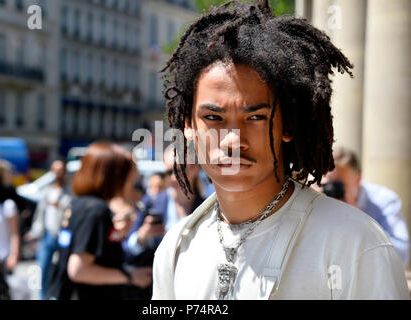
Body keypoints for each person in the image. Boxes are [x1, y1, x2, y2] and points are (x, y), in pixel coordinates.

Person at [152, 0, 409, 299]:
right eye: (213, 118)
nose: (233, 140)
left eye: (256, 117)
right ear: (189, 126)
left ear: (286, 126)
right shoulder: (177, 248)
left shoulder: (354, 243)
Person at [46, 142, 152, 300]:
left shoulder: (79, 203)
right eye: (124, 174)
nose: (129, 181)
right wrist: (130, 276)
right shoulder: (96, 209)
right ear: (112, 176)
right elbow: (79, 270)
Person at [124, 148, 204, 299]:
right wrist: (141, 237)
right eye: (168, 172)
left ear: (195, 168)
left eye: (180, 170)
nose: (173, 178)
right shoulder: (151, 202)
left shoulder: (207, 207)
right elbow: (127, 248)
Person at [320, 147, 410, 267]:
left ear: (358, 179)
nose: (332, 190)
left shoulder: (384, 201)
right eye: (328, 185)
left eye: (338, 185)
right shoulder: (318, 201)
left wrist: (361, 219)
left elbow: (402, 257)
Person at [25, 160, 71, 300]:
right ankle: (42, 296)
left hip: (63, 233)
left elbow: (71, 208)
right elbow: (39, 211)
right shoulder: (47, 190)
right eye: (55, 170)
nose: (58, 173)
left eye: (60, 170)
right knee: (43, 267)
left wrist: (60, 205)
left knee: (62, 268)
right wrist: (34, 231)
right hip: (46, 234)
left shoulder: (69, 190)